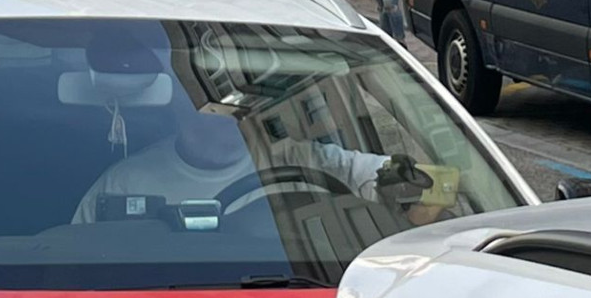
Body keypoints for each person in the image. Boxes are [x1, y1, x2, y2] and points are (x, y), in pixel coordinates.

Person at [71, 38, 446, 225]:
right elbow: (74, 253)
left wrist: (426, 188)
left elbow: (433, 182)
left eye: (235, 96)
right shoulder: (123, 184)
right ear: (176, 102)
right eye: (208, 97)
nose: (225, 109)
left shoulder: (300, 158)